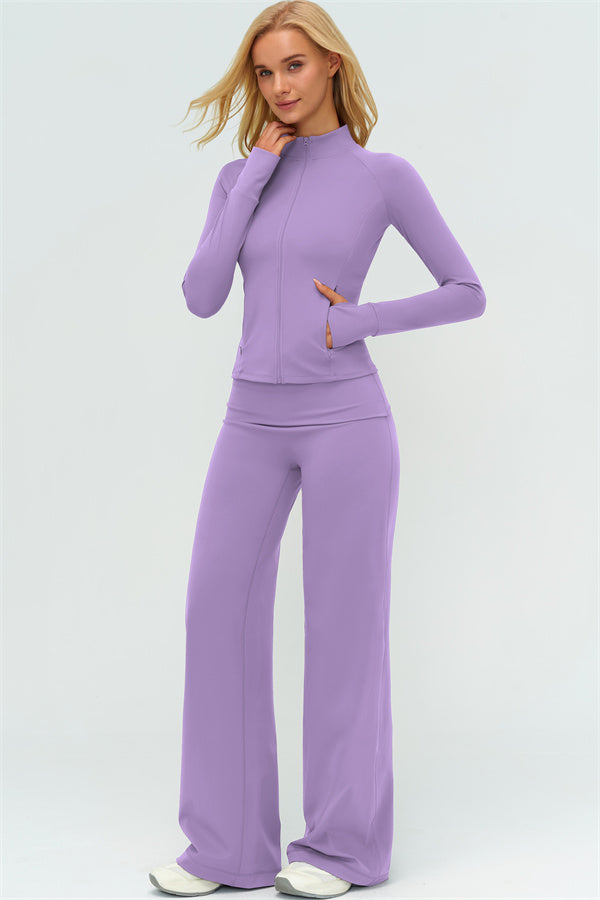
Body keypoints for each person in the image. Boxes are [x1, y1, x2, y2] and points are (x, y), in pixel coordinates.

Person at [149, 1, 486, 897]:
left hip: (346, 422)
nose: (278, 86)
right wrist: (256, 171)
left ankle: (342, 850)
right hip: (249, 423)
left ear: (332, 63)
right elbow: (202, 294)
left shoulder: (382, 176)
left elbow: (467, 289)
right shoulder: (239, 178)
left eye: (293, 66)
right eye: (264, 72)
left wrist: (360, 320)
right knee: (214, 613)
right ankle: (226, 849)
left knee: (342, 630)